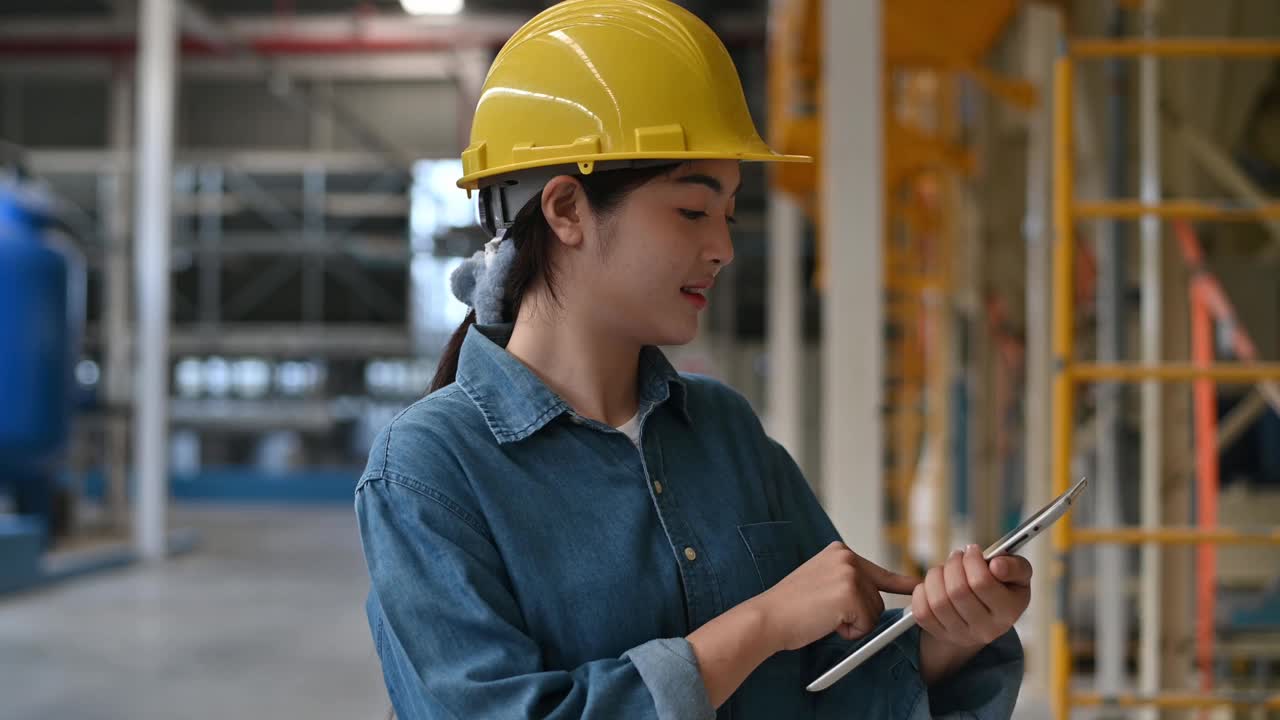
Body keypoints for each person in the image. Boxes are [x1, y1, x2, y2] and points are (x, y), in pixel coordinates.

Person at [354, 1, 1030, 718]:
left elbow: (827, 688)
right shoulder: (428, 471)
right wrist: (759, 625)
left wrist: (953, 636)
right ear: (566, 209)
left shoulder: (724, 430)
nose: (723, 248)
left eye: (729, 214)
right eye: (691, 211)